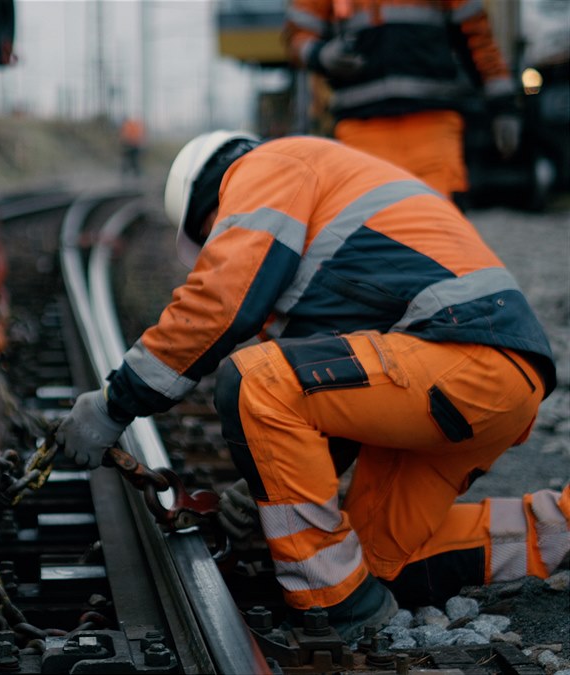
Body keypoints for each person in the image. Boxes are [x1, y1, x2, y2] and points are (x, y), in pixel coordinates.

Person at [56, 131, 569, 641]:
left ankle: (337, 607)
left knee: (255, 381)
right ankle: (559, 529)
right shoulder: (325, 245)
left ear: (208, 200)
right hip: (486, 379)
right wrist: (263, 484)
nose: (225, 238)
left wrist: (112, 405)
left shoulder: (267, 166)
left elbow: (220, 302)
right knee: (373, 563)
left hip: (463, 360)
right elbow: (333, 403)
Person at [283, 0, 522, 201]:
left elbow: (477, 37)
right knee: (372, 228)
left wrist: (503, 106)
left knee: (438, 227)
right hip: (364, 130)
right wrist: (320, 54)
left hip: (431, 125)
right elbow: (298, 36)